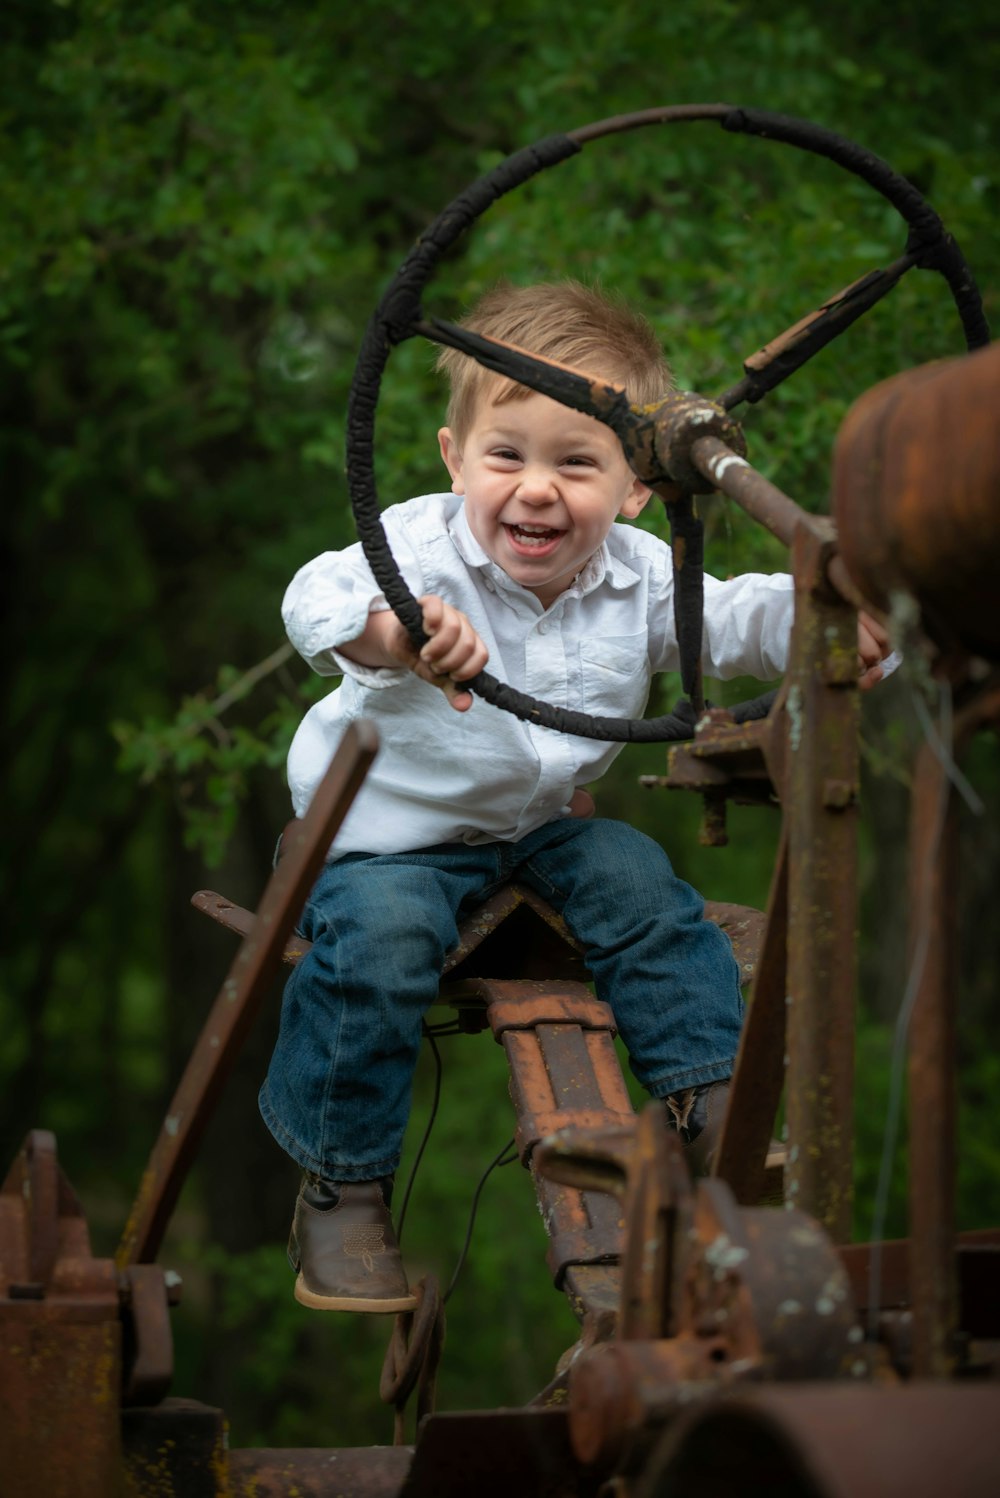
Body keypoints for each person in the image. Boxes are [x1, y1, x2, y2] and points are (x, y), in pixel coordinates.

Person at [259, 281, 889, 1313]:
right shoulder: (412, 553)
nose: (537, 490)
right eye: (506, 456)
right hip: (388, 839)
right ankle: (344, 1180)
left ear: (637, 484)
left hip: (538, 832)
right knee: (378, 944)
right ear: (455, 456)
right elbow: (311, 599)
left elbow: (730, 621)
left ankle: (709, 1106)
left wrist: (831, 616)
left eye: (577, 463)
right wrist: (400, 635)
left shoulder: (643, 574)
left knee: (643, 886)